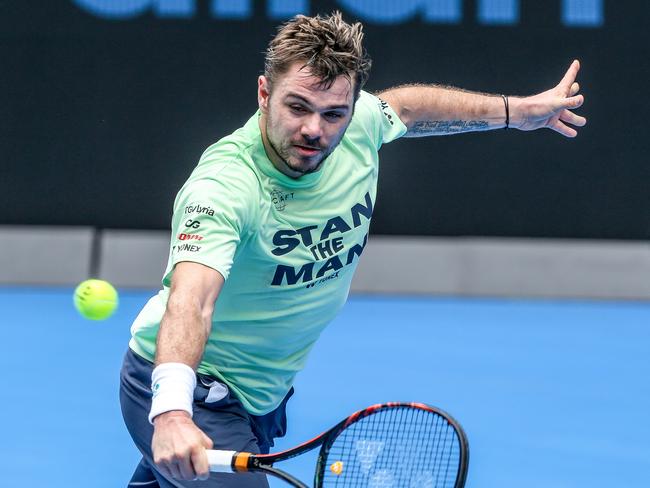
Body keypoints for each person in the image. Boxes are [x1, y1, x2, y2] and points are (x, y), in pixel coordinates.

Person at [119, 11, 586, 488]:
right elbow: (191, 300)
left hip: (263, 395)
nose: (313, 130)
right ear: (264, 94)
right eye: (296, 107)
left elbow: (406, 107)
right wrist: (173, 412)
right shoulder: (225, 186)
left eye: (333, 114)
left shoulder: (360, 125)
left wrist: (515, 113)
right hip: (192, 390)